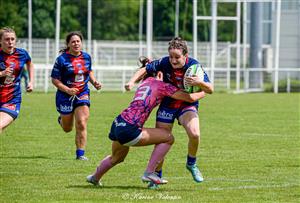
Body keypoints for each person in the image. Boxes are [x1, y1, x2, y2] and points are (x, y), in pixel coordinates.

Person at [86, 60, 206, 187]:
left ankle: (95, 177)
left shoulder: (144, 83)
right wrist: (204, 91)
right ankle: (149, 172)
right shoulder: (162, 86)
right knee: (168, 138)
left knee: (116, 157)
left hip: (118, 123)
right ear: (160, 74)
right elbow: (190, 98)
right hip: (130, 129)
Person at [125, 37, 214, 184]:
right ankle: (156, 176)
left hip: (186, 104)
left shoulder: (194, 66)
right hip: (167, 104)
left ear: (186, 55)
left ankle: (191, 163)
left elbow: (210, 89)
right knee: (162, 139)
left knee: (195, 134)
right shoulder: (164, 62)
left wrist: (199, 82)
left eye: (177, 57)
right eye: (171, 56)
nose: (173, 60)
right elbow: (145, 69)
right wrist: (131, 82)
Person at [51, 31, 101, 160]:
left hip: (82, 93)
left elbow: (88, 71)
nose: (76, 43)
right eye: (73, 41)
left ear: (81, 43)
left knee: (82, 122)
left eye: (78, 41)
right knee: (67, 128)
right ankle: (62, 120)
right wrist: (67, 90)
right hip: (64, 95)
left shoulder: (87, 57)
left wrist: (94, 82)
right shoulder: (61, 59)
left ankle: (80, 154)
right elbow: (55, 80)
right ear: (68, 44)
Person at [0, 27, 34, 133]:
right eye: (7, 39)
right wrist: (2, 73)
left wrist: (31, 82)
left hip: (11, 100)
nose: (10, 42)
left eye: (12, 39)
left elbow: (29, 63)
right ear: (0, 41)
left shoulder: (22, 54)